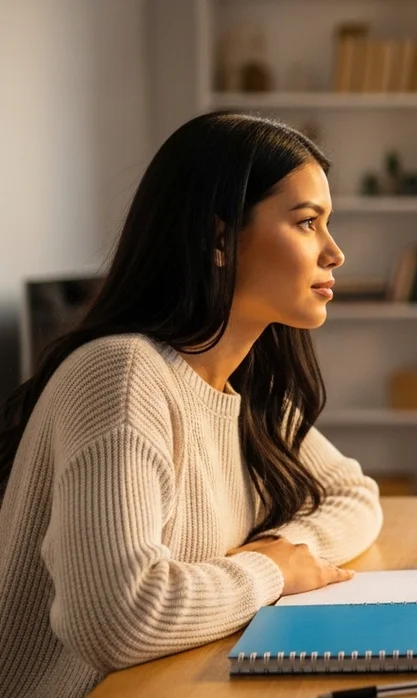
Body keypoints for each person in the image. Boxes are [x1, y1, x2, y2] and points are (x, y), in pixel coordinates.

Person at [0, 112, 383, 697]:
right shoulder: (123, 376)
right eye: (307, 223)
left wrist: (281, 556)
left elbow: (355, 495)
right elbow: (116, 620)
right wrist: (270, 570)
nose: (335, 253)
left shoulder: (241, 385)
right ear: (218, 239)